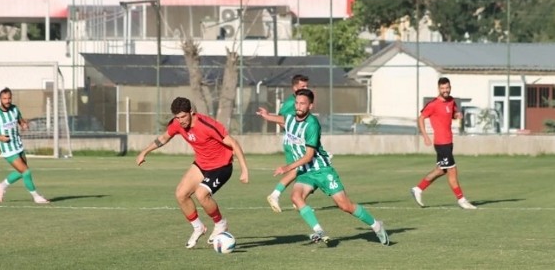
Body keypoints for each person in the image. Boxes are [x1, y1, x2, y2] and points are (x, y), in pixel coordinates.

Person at [261, 89, 389, 246]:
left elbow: (308, 156)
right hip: (306, 172)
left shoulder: (312, 125)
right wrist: (266, 116)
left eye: (302, 103)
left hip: (322, 170)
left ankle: (376, 225)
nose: (298, 106)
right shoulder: (290, 118)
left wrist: (288, 167)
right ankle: (319, 230)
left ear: (311, 106)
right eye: (297, 103)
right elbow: (281, 118)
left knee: (345, 205)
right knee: (296, 197)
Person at [135, 97, 249, 249]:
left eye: (183, 116)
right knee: (181, 194)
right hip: (202, 164)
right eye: (177, 117)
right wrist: (144, 152)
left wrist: (244, 170)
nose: (180, 121)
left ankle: (221, 224)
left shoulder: (207, 125)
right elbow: (164, 138)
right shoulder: (177, 124)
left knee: (201, 194)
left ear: (191, 112)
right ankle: (198, 228)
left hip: (222, 166)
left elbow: (233, 143)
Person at [411, 77, 477, 210]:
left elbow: (451, 114)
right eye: (442, 88)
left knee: (441, 170)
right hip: (441, 143)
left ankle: (418, 189)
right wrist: (425, 136)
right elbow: (421, 117)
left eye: (447, 88)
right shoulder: (433, 104)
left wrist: (457, 115)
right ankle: (461, 200)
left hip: (449, 141)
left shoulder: (452, 101)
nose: (445, 90)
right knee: (452, 170)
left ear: (450, 87)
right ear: (438, 89)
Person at [0, 87, 50, 204]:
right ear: (0, 99)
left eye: (9, 98)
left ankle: (1, 186)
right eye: (4, 99)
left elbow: (21, 121)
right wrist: (0, 137)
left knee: (21, 171)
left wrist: (24, 125)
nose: (7, 101)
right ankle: (36, 196)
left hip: (17, 144)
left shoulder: (14, 109)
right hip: (7, 147)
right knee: (26, 171)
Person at [260, 74, 309, 213]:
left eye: (306, 86)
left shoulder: (302, 101)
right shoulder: (290, 103)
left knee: (306, 170)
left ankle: (299, 199)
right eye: (302, 86)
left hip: (300, 141)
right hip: (294, 142)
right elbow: (282, 119)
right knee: (297, 169)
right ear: (294, 87)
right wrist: (293, 132)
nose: (306, 88)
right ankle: (275, 195)